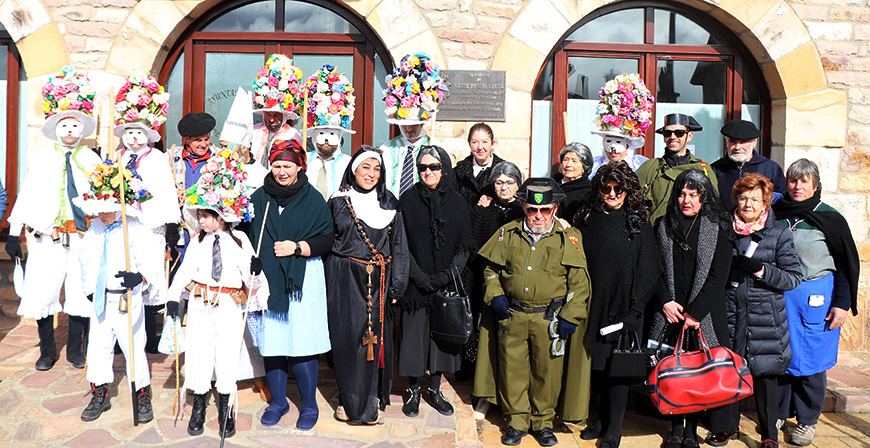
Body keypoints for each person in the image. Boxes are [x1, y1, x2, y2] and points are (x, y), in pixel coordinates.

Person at [478, 177, 591, 447]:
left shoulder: (569, 238)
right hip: (513, 316)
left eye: (545, 210)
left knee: (547, 374)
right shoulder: (509, 233)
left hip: (548, 320)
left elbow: (579, 282)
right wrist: (496, 295)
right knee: (512, 372)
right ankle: (516, 421)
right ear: (523, 206)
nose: (538, 216)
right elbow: (490, 270)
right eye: (532, 209)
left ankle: (542, 423)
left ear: (554, 209)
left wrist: (569, 316)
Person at [5, 66, 101, 371]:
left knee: (80, 291)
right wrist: (13, 232)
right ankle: (47, 349)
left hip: (82, 237)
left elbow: (102, 196)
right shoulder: (43, 159)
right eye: (64, 126)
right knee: (43, 290)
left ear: (82, 130)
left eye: (75, 126)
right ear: (56, 129)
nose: (70, 131)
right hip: (48, 237)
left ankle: (76, 348)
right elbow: (28, 195)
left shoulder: (91, 160)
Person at [167, 149, 265, 438]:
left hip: (229, 304)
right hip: (200, 302)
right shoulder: (197, 240)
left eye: (208, 215)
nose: (202, 221)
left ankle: (225, 407)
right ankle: (198, 403)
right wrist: (173, 297)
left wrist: (255, 269)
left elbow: (252, 278)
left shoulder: (240, 239)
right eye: (200, 215)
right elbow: (185, 270)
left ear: (222, 216)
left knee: (226, 353)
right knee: (199, 351)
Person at [247, 139, 334, 430]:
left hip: (303, 279)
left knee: (302, 343)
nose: (282, 171)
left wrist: (297, 247)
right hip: (270, 280)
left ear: (300, 166)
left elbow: (326, 239)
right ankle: (279, 402)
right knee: (274, 343)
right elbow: (248, 233)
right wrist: (253, 260)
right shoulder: (260, 198)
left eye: (287, 165)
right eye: (276, 165)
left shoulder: (313, 199)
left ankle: (309, 405)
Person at [773, 159, 860, 446]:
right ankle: (780, 412)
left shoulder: (829, 217)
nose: (797, 187)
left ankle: (807, 421)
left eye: (804, 181)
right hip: (782, 296)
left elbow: (846, 265)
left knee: (810, 360)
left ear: (815, 184)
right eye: (793, 181)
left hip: (816, 299)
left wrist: (842, 304)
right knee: (781, 356)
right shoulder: (777, 213)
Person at [645, 170, 735, 448]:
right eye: (682, 194)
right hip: (669, 311)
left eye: (693, 195)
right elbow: (653, 268)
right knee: (672, 369)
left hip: (703, 313)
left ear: (703, 197)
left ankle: (691, 431)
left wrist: (694, 313)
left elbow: (719, 275)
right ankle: (674, 429)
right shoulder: (663, 225)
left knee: (698, 371)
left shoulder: (717, 226)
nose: (686, 200)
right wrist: (665, 302)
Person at [573, 161, 659, 448]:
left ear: (627, 191)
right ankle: (599, 419)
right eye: (606, 188)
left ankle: (614, 428)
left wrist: (636, 308)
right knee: (598, 366)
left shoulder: (637, 222)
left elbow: (649, 267)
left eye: (618, 188)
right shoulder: (588, 219)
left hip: (625, 307)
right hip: (594, 305)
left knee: (618, 367)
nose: (612, 194)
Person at [325, 147, 409, 424]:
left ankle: (372, 400)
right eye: (365, 168)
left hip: (378, 280)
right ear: (353, 169)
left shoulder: (389, 203)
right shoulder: (338, 201)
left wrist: (397, 286)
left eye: (377, 169)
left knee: (373, 340)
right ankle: (348, 399)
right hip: (343, 277)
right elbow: (328, 242)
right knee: (348, 339)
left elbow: (399, 247)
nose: (371, 174)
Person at [74, 160, 162, 423]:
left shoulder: (134, 228)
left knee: (133, 345)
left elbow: (151, 263)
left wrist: (140, 277)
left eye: (107, 210)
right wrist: (90, 288)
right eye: (98, 210)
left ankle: (141, 394)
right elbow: (86, 258)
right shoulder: (96, 229)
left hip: (126, 297)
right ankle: (99, 391)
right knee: (99, 345)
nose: (101, 215)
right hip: (102, 296)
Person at [725, 173, 802, 448]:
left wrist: (760, 269)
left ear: (765, 203)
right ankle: (726, 427)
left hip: (765, 316)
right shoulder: (724, 228)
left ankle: (768, 433)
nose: (747, 204)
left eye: (754, 199)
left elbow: (793, 277)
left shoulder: (778, 232)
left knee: (766, 375)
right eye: (743, 198)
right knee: (729, 369)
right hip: (731, 311)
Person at [398, 145, 472, 419]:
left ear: (444, 169)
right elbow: (401, 243)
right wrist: (419, 277)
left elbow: (465, 246)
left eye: (434, 167)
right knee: (414, 340)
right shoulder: (407, 200)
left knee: (441, 341)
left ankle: (436, 390)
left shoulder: (457, 202)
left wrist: (444, 277)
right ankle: (414, 390)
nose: (428, 172)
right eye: (423, 168)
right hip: (415, 285)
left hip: (446, 283)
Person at [114, 72, 179, 354]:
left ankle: (150, 336)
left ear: (148, 135)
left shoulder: (156, 159)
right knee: (122, 272)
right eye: (128, 133)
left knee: (149, 275)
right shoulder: (117, 157)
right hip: (122, 224)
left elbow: (166, 190)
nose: (133, 138)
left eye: (138, 133)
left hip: (149, 225)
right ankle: (121, 333)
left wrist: (171, 224)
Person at [470, 161, 524, 419]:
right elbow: (478, 241)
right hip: (488, 281)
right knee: (487, 337)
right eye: (499, 182)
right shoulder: (484, 206)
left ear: (518, 184)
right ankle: (485, 395)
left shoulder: (524, 210)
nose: (504, 187)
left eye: (510, 182)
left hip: (516, 283)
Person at [379, 53, 448, 197]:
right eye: (404, 125)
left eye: (414, 124)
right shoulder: (385, 150)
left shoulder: (437, 148)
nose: (409, 129)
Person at [636, 113, 718, 224]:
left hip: (691, 234)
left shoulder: (703, 169)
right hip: (655, 235)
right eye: (667, 133)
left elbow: (714, 205)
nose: (673, 137)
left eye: (679, 133)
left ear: (689, 136)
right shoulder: (650, 168)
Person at [711, 119, 786, 211]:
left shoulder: (771, 168)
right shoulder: (715, 169)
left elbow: (782, 197)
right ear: (726, 142)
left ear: (754, 142)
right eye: (733, 142)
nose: (737, 147)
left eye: (742, 142)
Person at [304, 65, 354, 199]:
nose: (326, 140)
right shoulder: (303, 161)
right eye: (321, 134)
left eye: (332, 134)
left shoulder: (349, 164)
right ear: (313, 137)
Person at [250, 54, 304, 168]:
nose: (272, 119)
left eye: (276, 115)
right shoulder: (254, 131)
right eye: (268, 114)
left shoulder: (294, 135)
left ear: (284, 116)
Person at [454, 122, 504, 208]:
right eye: (475, 142)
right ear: (469, 144)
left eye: (485, 142)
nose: (480, 147)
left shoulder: (503, 170)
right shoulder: (459, 171)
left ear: (492, 143)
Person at [553, 142, 593, 222]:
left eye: (574, 161)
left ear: (584, 167)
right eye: (565, 160)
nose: (568, 164)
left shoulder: (589, 191)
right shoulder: (552, 184)